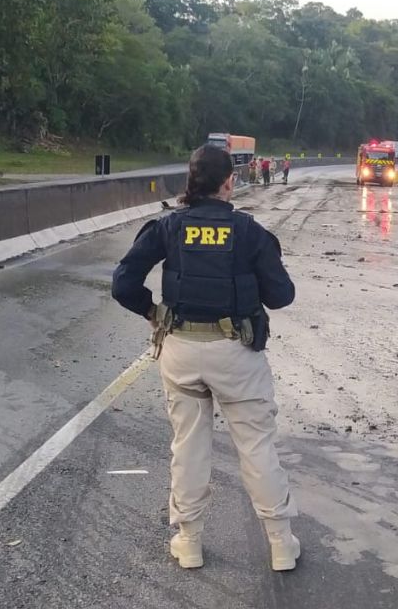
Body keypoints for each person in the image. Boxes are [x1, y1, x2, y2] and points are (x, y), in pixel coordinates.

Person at [111, 145, 301, 570]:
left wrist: (151, 311)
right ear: (229, 182)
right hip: (237, 355)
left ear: (190, 183)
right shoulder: (249, 232)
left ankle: (189, 541)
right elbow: (282, 296)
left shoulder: (168, 227)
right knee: (256, 448)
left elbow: (123, 282)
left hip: (180, 352)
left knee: (189, 449)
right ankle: (281, 544)